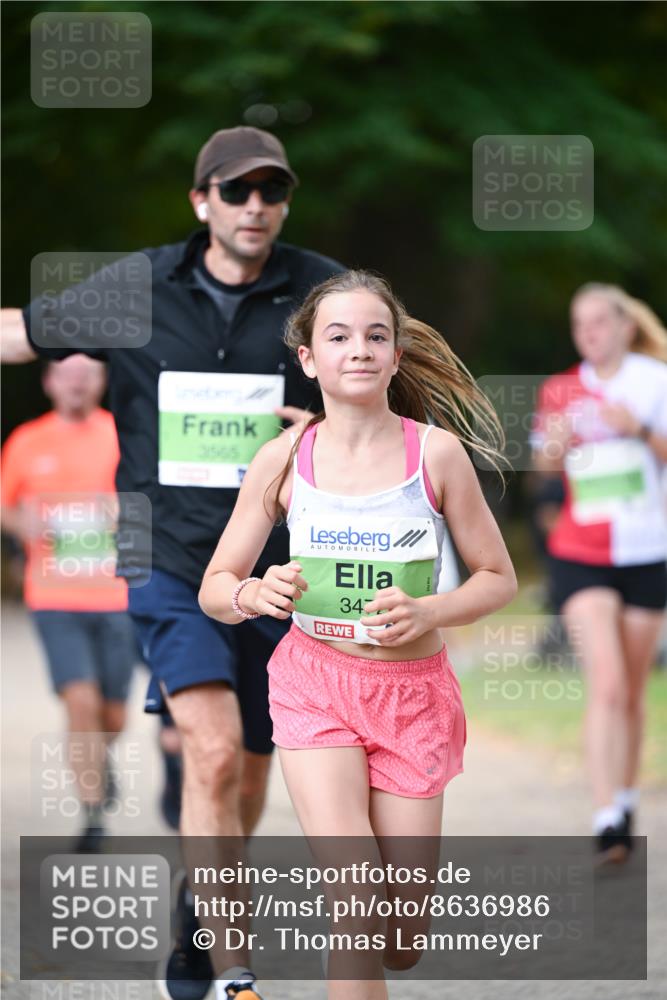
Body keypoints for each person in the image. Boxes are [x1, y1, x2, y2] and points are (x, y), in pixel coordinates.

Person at [1, 126, 344, 1000]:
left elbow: (393, 388)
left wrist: (332, 426)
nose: (255, 206)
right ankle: (225, 968)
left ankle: (201, 900)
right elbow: (20, 334)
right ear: (202, 201)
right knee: (212, 750)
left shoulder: (322, 292)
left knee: (253, 762)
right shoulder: (137, 287)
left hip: (279, 568)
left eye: (272, 190)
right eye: (236, 191)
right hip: (163, 556)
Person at [199, 270, 517, 1000]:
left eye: (376, 336)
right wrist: (252, 592)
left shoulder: (435, 455)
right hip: (315, 685)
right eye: (338, 336)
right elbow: (215, 586)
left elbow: (497, 578)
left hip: (412, 697)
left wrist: (429, 612)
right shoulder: (283, 458)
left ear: (397, 356)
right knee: (355, 896)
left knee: (400, 937)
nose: (359, 349)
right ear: (308, 358)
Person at [532, 282, 667, 863]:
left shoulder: (655, 381)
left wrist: (637, 429)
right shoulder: (561, 388)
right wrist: (556, 446)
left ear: (625, 327)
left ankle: (626, 796)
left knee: (632, 691)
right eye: (579, 324)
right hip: (579, 552)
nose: (588, 333)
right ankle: (606, 813)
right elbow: (542, 466)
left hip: (646, 550)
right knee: (607, 683)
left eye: (599, 322)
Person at [1, 355, 139, 851]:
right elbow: (6, 505)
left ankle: (98, 758)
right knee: (79, 700)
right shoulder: (27, 440)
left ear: (103, 381)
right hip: (53, 594)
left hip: (116, 594)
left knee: (113, 715)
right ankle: (92, 812)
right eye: (67, 373)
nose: (77, 383)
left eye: (88, 374)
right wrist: (23, 523)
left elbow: (151, 503)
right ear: (49, 381)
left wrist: (124, 515)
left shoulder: (124, 435)